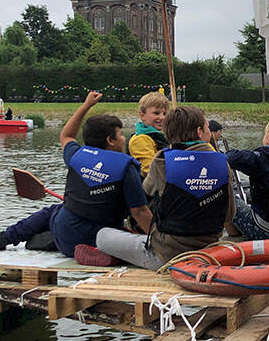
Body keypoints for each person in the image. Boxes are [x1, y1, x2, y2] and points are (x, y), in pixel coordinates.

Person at [0, 93, 151, 258]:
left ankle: (2, 238)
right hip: (99, 238)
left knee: (53, 211)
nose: (124, 138)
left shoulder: (76, 155)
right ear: (110, 140)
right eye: (121, 135)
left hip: (64, 233)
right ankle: (85, 250)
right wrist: (160, 240)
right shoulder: (126, 166)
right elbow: (139, 211)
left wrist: (85, 106)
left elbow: (67, 135)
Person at [90, 105, 236, 269]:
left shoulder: (162, 160)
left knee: (102, 235)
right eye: (208, 127)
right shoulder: (222, 162)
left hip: (167, 255)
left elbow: (144, 194)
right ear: (199, 132)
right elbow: (229, 214)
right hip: (209, 250)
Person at [127, 92, 170, 177]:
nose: (162, 117)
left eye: (165, 114)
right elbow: (150, 171)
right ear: (142, 115)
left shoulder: (159, 137)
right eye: (156, 113)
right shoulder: (140, 139)